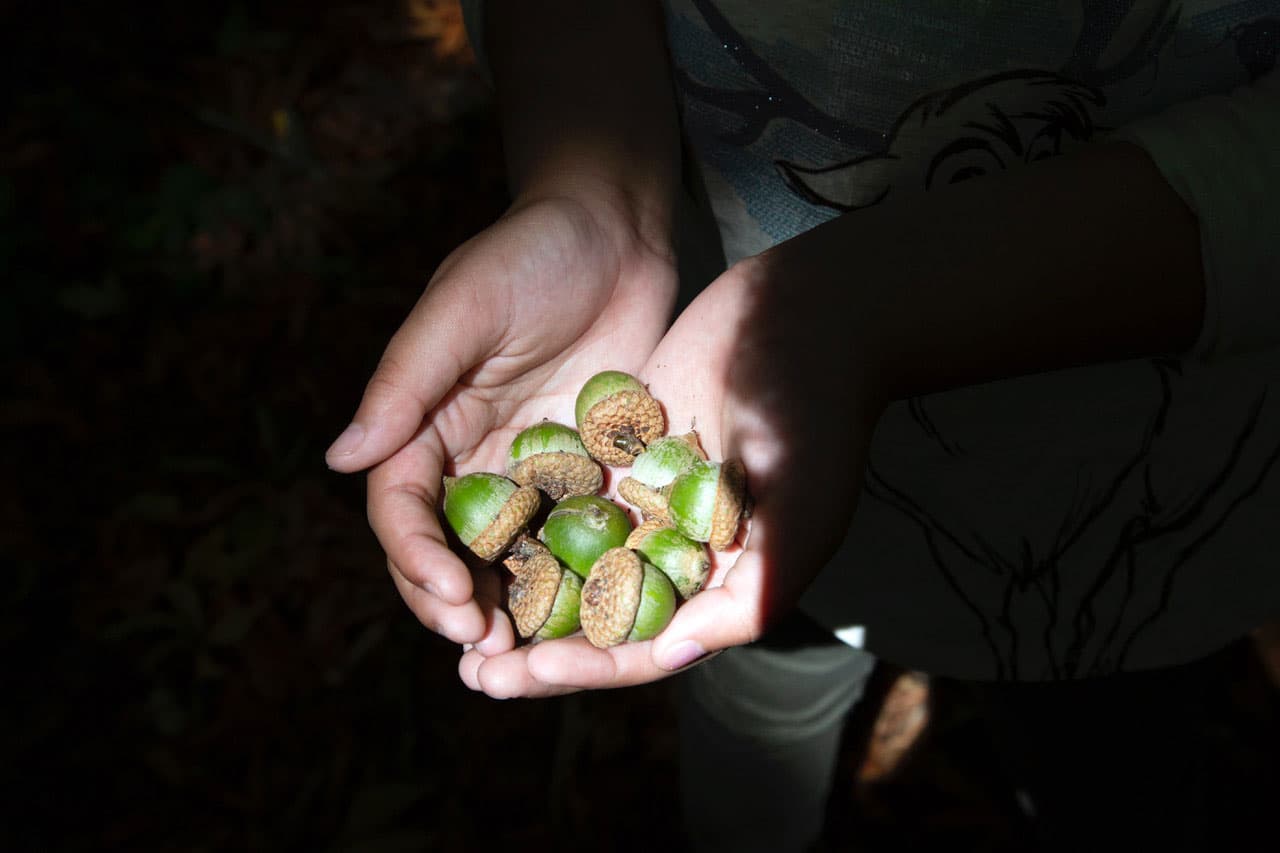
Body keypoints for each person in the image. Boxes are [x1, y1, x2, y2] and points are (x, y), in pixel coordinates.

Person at [326, 2, 1280, 850]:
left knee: (1106, 746)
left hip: (1145, 494)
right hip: (736, 392)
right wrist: (595, 187)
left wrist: (848, 313)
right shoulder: (676, 483)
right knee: (759, 715)